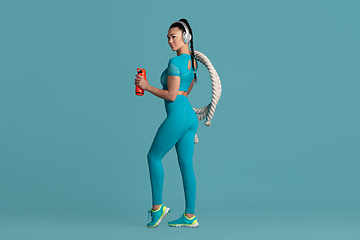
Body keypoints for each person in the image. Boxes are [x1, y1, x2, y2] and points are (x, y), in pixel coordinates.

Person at [135, 19, 199, 228]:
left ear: (185, 36)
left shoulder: (175, 62)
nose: (170, 41)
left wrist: (146, 86)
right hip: (189, 116)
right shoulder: (193, 61)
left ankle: (157, 208)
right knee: (186, 166)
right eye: (168, 38)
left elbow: (171, 96)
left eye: (174, 36)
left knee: (153, 157)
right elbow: (185, 91)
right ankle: (190, 216)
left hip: (178, 115)